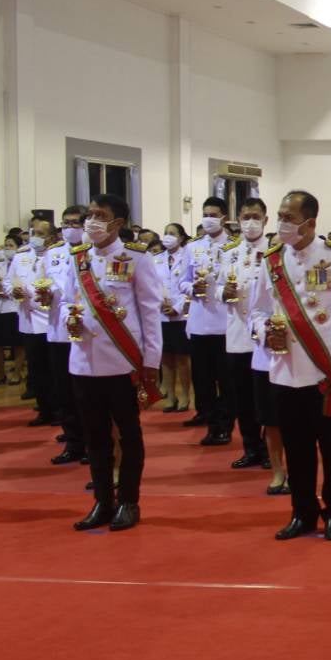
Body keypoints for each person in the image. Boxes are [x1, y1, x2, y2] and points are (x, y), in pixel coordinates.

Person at [250, 191, 331, 540]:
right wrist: (264, 331)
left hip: (325, 370)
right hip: (285, 370)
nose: (282, 224)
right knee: (296, 446)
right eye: (281, 216)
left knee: (330, 447)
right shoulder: (271, 260)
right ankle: (302, 511)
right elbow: (257, 311)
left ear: (310, 222)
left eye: (289, 218)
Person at [67, 194, 164, 532]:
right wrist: (71, 318)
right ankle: (102, 501)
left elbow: (150, 312)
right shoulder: (78, 257)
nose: (91, 221)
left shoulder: (136, 258)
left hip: (123, 362)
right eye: (89, 214)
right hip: (84, 361)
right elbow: (69, 300)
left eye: (100, 215)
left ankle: (129, 501)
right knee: (95, 437)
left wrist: (151, 362)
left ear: (118, 223)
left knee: (128, 435)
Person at [224, 199, 274, 471]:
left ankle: (270, 448)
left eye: (255, 216)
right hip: (236, 334)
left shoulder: (275, 250)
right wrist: (222, 292)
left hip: (263, 338)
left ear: (265, 220)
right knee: (241, 398)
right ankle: (250, 446)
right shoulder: (230, 252)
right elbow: (218, 284)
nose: (250, 222)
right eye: (245, 217)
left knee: (264, 396)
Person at [185, 196, 235, 446]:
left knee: (225, 380)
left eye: (213, 214)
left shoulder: (233, 247)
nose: (208, 219)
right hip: (198, 321)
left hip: (224, 321)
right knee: (202, 380)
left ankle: (225, 424)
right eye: (205, 214)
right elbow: (182, 281)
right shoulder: (192, 247)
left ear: (224, 218)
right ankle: (211, 422)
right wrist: (192, 287)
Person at [46, 206, 87, 466]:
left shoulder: (90, 253)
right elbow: (42, 282)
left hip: (85, 333)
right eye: (65, 222)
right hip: (58, 330)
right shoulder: (52, 253)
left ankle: (91, 444)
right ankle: (73, 442)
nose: (69, 227)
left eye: (75, 222)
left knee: (84, 394)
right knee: (63, 392)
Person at [10, 220, 59, 431]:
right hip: (29, 321)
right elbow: (9, 281)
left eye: (40, 233)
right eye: (33, 232)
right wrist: (14, 291)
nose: (35, 236)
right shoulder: (21, 256)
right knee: (36, 369)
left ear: (50, 237)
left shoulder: (57, 256)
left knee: (55, 369)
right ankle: (44, 408)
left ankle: (60, 411)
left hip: (51, 321)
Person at [156, 224, 193, 414]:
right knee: (166, 359)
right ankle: (170, 397)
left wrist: (177, 307)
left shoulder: (188, 257)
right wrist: (162, 305)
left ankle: (185, 395)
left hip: (181, 316)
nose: (167, 237)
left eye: (172, 234)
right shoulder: (156, 260)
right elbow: (153, 287)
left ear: (180, 238)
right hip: (161, 315)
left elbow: (190, 284)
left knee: (182, 359)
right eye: (166, 233)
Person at [0, 232, 23, 386]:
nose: (8, 248)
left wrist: (8, 292)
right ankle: (0, 373)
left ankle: (16, 372)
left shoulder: (22, 263)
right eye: (6, 245)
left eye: (11, 245)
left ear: (18, 247)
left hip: (13, 308)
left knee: (17, 343)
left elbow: (22, 286)